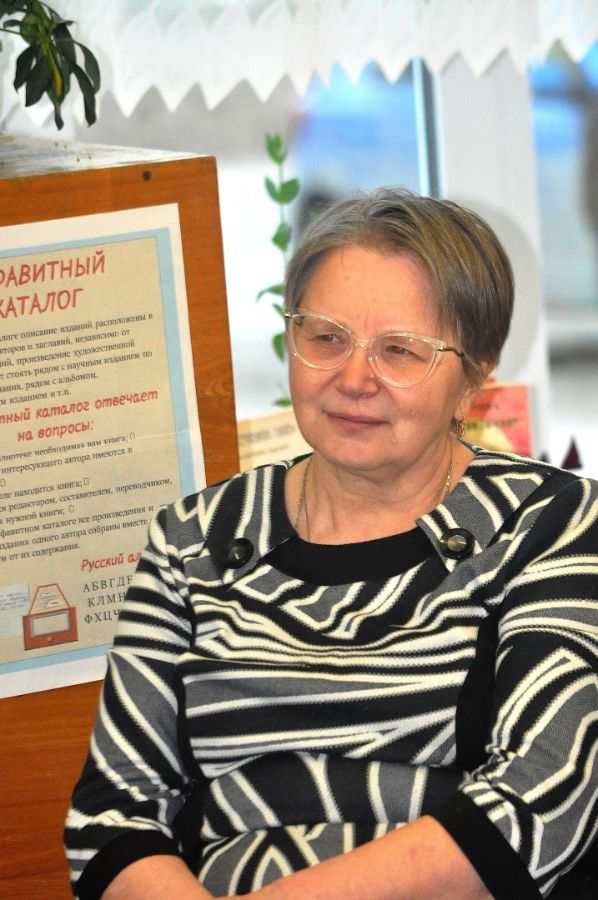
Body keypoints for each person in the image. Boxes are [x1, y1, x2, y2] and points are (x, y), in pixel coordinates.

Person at [65, 188, 598, 900]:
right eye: (325, 338)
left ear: (474, 378)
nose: (353, 379)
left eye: (399, 351)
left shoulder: (552, 523)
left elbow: (544, 796)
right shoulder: (193, 540)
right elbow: (112, 816)